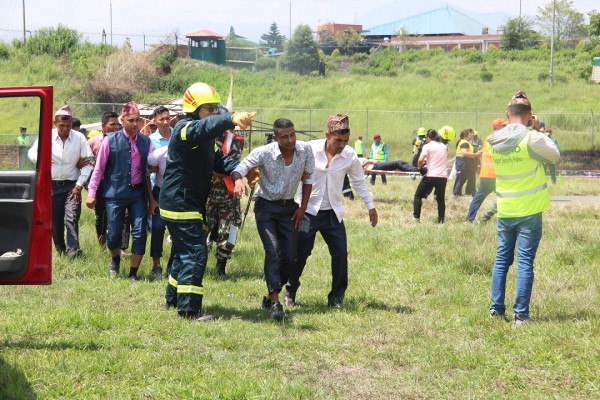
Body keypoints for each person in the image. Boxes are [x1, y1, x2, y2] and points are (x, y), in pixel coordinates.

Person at [160, 82, 255, 321]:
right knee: (195, 251)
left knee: (183, 252)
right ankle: (189, 310)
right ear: (194, 109)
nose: (213, 113)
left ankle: (173, 298)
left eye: (216, 109)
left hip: (183, 202)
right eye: (209, 109)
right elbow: (204, 126)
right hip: (181, 203)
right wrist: (230, 118)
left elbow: (219, 161)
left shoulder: (201, 140)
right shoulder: (184, 130)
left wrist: (240, 171)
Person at [286, 114, 377, 308]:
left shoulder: (350, 154)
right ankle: (290, 290)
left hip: (333, 214)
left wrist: (370, 206)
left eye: (345, 140)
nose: (342, 144)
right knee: (300, 253)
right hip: (307, 211)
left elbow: (359, 182)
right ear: (328, 135)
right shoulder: (309, 149)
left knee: (340, 254)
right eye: (338, 140)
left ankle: (336, 297)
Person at [488, 91, 559, 326]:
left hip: (505, 209)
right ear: (530, 116)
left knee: (501, 260)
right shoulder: (532, 138)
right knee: (525, 262)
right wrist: (536, 129)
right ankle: (521, 315)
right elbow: (555, 156)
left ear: (507, 115)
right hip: (529, 211)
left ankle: (496, 309)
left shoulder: (493, 141)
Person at [232, 118, 314, 322]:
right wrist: (238, 180)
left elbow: (308, 179)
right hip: (266, 208)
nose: (290, 140)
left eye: (292, 135)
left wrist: (302, 209)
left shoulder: (305, 150)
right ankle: (276, 302)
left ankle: (269, 297)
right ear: (275, 137)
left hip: (290, 209)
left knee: (290, 256)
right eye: (284, 137)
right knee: (273, 250)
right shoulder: (264, 152)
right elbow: (240, 167)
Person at [86, 101, 152, 281]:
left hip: (137, 194)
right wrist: (92, 193)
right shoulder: (110, 141)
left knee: (140, 233)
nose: (135, 124)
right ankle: (115, 258)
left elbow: (150, 168)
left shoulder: (146, 142)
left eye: (138, 120)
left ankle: (133, 274)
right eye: (131, 120)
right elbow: (98, 169)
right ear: (123, 120)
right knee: (113, 236)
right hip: (114, 195)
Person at [28, 105, 93, 257]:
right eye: (62, 125)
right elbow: (32, 153)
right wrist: (41, 160)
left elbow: (90, 160)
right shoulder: (46, 136)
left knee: (72, 217)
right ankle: (60, 249)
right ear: (54, 123)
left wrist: (79, 185)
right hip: (51, 186)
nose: (65, 129)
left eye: (69, 125)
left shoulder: (79, 138)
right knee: (56, 222)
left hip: (72, 185)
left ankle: (73, 250)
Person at [206, 128, 245, 277]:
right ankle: (197, 264)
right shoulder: (204, 138)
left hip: (228, 196)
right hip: (206, 194)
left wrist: (213, 168)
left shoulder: (232, 140)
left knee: (228, 233)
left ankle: (221, 267)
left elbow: (234, 166)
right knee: (201, 230)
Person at [146, 105, 173, 280]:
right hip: (159, 190)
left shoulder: (178, 136)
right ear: (154, 121)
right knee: (157, 228)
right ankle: (156, 266)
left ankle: (173, 266)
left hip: (178, 192)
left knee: (178, 231)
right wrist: (151, 199)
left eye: (167, 118)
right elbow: (149, 168)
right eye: (161, 119)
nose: (165, 122)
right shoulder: (151, 141)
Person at [88, 111, 120, 246]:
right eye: (112, 124)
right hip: (100, 183)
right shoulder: (93, 142)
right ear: (103, 125)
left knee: (118, 214)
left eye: (117, 125)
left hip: (117, 184)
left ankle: (118, 245)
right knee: (101, 215)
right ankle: (102, 244)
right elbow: (88, 162)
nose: (116, 127)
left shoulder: (122, 140)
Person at [466, 118, 505, 223]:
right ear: (499, 127)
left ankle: (469, 219)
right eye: (504, 126)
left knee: (478, 198)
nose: (505, 128)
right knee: (505, 197)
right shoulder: (498, 138)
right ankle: (498, 218)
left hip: (486, 175)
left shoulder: (488, 138)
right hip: (495, 176)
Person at [412, 129, 448, 223]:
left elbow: (420, 160)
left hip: (431, 175)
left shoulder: (427, 146)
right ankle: (441, 220)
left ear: (428, 137)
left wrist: (420, 168)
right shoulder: (444, 146)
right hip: (443, 176)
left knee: (418, 195)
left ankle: (416, 218)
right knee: (440, 199)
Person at [453, 128, 481, 196]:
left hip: (464, 165)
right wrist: (476, 154)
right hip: (466, 166)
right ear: (465, 135)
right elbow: (464, 153)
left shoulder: (463, 142)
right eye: (470, 134)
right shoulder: (465, 143)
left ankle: (456, 194)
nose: (471, 135)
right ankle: (472, 193)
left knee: (461, 180)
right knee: (471, 180)